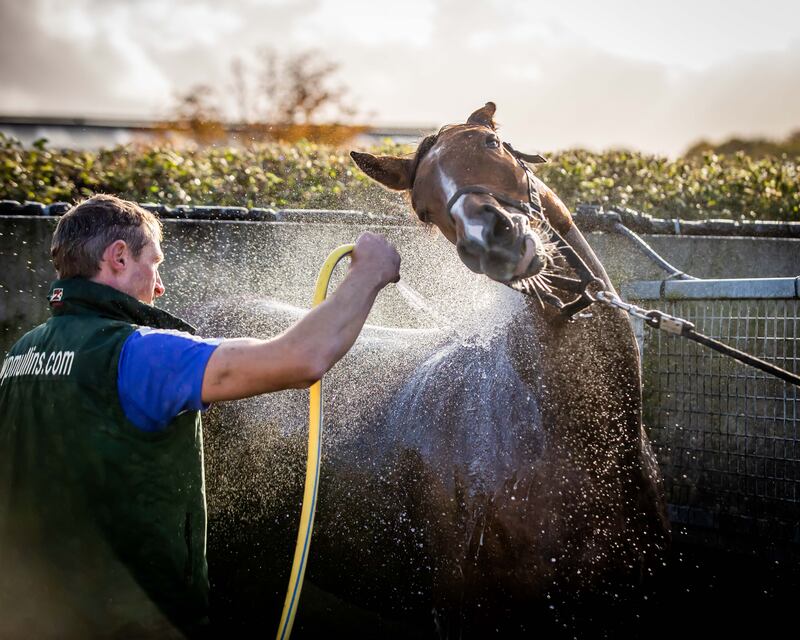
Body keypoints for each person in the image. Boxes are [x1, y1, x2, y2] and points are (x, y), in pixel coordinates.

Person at [0, 194, 400, 639]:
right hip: (129, 619)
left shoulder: (23, 352)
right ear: (117, 257)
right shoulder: (139, 352)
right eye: (155, 263)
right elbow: (300, 358)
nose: (160, 286)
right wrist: (367, 276)